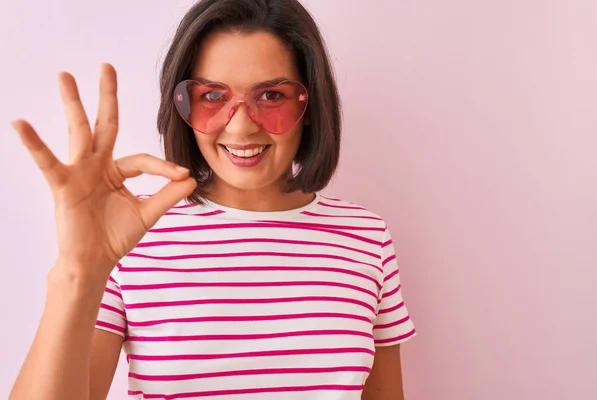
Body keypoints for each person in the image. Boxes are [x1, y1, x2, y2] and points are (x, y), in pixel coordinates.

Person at [9, 0, 416, 398]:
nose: (240, 128)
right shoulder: (132, 232)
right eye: (212, 96)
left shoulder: (366, 237)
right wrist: (78, 272)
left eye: (271, 96)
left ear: (309, 104)